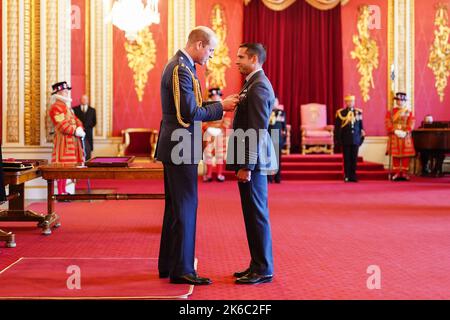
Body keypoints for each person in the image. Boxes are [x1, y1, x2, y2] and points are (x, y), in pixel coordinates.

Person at [155, 26, 239, 285]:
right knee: (186, 206)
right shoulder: (181, 68)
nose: (211, 56)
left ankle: (169, 264)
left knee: (175, 207)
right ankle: (182, 269)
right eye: (211, 50)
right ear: (199, 44)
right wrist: (221, 107)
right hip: (181, 145)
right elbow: (188, 113)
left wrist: (215, 106)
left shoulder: (182, 65)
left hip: (178, 145)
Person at [226, 43, 275, 285]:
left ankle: (263, 268)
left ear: (254, 59)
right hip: (249, 161)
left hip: (253, 163)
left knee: (256, 214)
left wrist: (246, 165)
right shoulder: (251, 84)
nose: (236, 61)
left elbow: (256, 130)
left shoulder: (258, 87)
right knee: (251, 214)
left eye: (241, 57)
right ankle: (257, 264)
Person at [48, 81, 85, 195]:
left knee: (68, 167)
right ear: (58, 93)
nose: (67, 93)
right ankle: (60, 192)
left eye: (66, 91)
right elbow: (62, 125)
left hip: (71, 141)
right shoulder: (55, 108)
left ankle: (63, 191)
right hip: (63, 142)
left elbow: (76, 119)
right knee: (62, 168)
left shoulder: (66, 107)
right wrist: (75, 131)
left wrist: (80, 128)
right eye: (64, 91)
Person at [202, 87, 231, 182]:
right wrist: (207, 128)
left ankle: (219, 174)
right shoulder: (206, 107)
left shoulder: (225, 106)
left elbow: (227, 120)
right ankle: (209, 174)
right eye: (214, 95)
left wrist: (222, 129)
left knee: (220, 154)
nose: (216, 97)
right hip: (209, 132)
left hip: (220, 133)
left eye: (217, 95)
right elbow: (202, 120)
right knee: (208, 153)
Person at [334, 95, 365, 182]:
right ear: (346, 102)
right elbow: (337, 128)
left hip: (355, 139)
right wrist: (338, 140)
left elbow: (360, 127)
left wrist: (361, 138)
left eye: (351, 101)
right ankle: (347, 176)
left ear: (354, 102)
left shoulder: (358, 113)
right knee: (347, 159)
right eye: (348, 101)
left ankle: (353, 175)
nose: (350, 103)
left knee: (354, 159)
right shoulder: (341, 113)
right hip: (346, 139)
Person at [385, 92, 416, 181]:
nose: (400, 102)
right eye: (398, 100)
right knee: (396, 155)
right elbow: (387, 122)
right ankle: (397, 173)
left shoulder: (408, 112)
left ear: (405, 101)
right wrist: (393, 130)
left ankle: (404, 173)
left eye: (402, 100)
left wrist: (406, 131)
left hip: (405, 136)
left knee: (406, 155)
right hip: (395, 135)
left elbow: (411, 122)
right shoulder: (391, 112)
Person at [268, 98, 286, 183]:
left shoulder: (281, 112)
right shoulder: (266, 111)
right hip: (268, 136)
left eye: (276, 101)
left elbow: (284, 127)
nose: (274, 103)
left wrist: (284, 133)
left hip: (277, 136)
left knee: (277, 158)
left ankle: (277, 177)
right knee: (268, 157)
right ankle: (269, 178)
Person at [73, 95, 97, 160]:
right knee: (78, 150)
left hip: (88, 134)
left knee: (88, 151)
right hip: (78, 134)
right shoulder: (75, 109)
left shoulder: (92, 110)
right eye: (83, 99)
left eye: (85, 99)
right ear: (80, 100)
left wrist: (87, 127)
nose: (84, 100)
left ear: (88, 100)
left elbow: (94, 122)